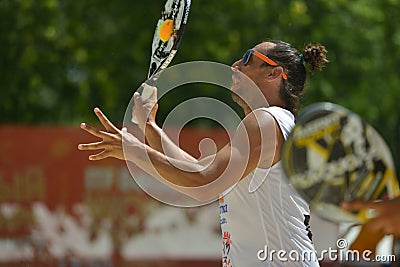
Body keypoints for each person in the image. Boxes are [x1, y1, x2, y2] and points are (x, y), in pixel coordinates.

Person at [78, 40, 328, 266]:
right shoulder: (274, 123)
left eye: (248, 58)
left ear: (274, 73)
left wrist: (135, 151)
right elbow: (195, 169)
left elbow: (203, 182)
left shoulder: (265, 121)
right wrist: (150, 129)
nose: (235, 65)